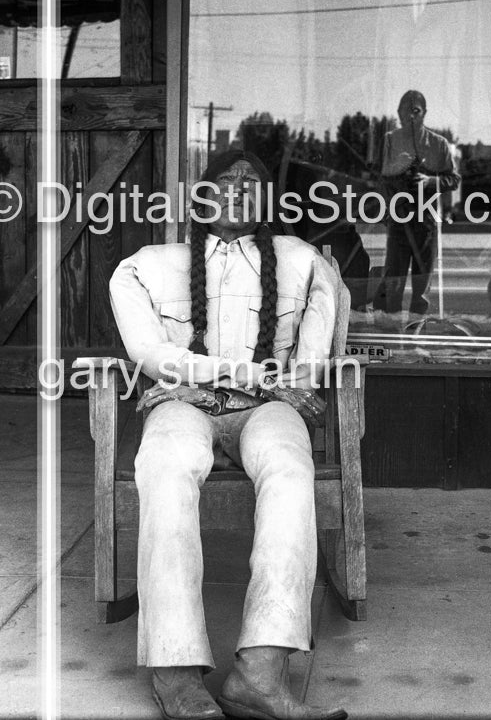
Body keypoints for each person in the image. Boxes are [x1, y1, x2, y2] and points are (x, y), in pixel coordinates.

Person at [109, 149, 348, 720]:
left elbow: (310, 364)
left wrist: (272, 383)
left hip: (266, 406)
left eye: (253, 181)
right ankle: (175, 672)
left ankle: (260, 675)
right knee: (165, 465)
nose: (240, 187)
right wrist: (226, 376)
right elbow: (148, 352)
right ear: (203, 195)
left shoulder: (303, 261)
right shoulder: (147, 264)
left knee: (291, 468)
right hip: (183, 404)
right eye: (227, 179)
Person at [372, 89, 461, 317]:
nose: (410, 116)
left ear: (424, 113)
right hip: (399, 220)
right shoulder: (390, 140)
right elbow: (378, 179)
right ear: (398, 113)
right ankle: (390, 331)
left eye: (416, 111)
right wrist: (387, 208)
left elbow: (453, 179)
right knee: (394, 282)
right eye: (405, 110)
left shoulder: (439, 144)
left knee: (422, 287)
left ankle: (415, 334)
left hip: (426, 224)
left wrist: (430, 180)